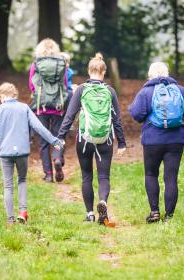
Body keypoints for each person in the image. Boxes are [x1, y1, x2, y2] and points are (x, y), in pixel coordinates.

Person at [58, 53, 126, 225]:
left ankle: (89, 214)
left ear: (89, 71)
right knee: (104, 176)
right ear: (104, 72)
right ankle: (102, 201)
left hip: (85, 139)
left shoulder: (81, 90)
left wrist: (60, 137)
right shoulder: (110, 91)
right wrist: (122, 143)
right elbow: (116, 119)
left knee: (86, 176)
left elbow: (70, 115)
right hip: (105, 139)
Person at [128, 62, 184, 223]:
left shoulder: (146, 92)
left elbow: (137, 114)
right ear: (167, 74)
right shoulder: (180, 90)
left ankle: (154, 212)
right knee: (171, 178)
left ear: (150, 75)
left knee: (151, 174)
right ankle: (169, 217)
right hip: (176, 140)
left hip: (152, 140)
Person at [0, 82, 64, 227]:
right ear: (14, 94)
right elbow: (39, 127)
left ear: (2, 96)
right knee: (22, 180)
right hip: (22, 152)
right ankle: (23, 213)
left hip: (5, 153)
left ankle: (10, 220)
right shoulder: (24, 108)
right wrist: (54, 140)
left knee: (8, 186)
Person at [28, 38, 68, 183]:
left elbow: (31, 85)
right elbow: (64, 84)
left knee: (44, 142)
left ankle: (49, 174)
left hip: (41, 107)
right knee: (59, 136)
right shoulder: (61, 63)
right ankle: (57, 157)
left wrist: (37, 96)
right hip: (58, 106)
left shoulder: (36, 64)